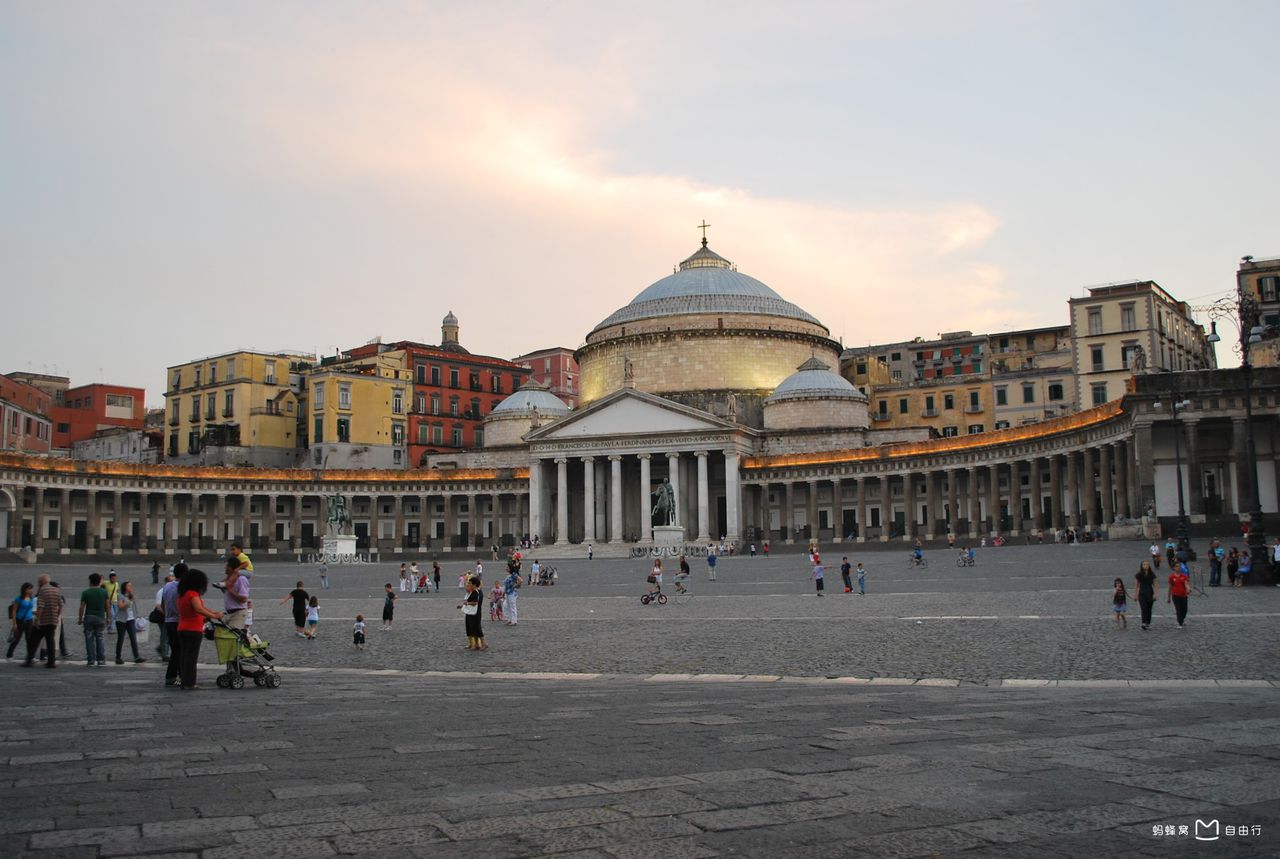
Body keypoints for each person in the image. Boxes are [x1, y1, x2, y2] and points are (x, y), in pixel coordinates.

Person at [176, 568, 223, 689]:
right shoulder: (193, 594)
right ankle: (190, 683)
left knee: (184, 657)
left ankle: (184, 680)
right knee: (191, 657)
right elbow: (199, 609)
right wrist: (214, 616)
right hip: (193, 629)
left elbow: (202, 608)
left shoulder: (183, 594)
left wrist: (213, 612)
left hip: (182, 627)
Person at [22, 576, 61, 669]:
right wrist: (57, 616)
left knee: (33, 641)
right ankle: (51, 662)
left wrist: (37, 620)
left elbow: (41, 606)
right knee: (50, 642)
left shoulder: (42, 591)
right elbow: (61, 604)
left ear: (41, 582)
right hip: (52, 621)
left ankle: (29, 661)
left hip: (43, 621)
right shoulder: (56, 590)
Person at [162, 564, 186, 687]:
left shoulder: (167, 585)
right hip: (179, 621)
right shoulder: (182, 588)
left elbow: (162, 604)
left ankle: (178, 675)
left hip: (168, 620)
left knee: (176, 650)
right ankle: (175, 676)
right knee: (179, 650)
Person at [78, 573, 109, 667]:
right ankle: (101, 659)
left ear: (90, 581)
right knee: (100, 638)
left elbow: (82, 607)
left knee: (89, 639)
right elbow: (108, 607)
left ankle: (91, 659)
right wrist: (108, 618)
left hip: (89, 617)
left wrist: (80, 618)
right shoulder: (104, 592)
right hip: (100, 617)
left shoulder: (85, 592)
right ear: (99, 581)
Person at [114, 581, 146, 664]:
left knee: (133, 638)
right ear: (125, 587)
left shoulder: (131, 596)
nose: (130, 587)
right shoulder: (120, 596)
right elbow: (120, 606)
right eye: (129, 586)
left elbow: (133, 607)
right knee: (121, 639)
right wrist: (129, 600)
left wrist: (137, 615)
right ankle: (118, 657)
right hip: (121, 620)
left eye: (131, 585)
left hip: (131, 619)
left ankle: (137, 656)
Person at [7, 582, 35, 661]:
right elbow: (14, 611)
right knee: (16, 639)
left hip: (29, 620)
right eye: (30, 588)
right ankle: (9, 654)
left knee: (29, 639)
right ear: (25, 589)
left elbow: (32, 609)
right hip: (20, 620)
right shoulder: (18, 599)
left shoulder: (32, 598)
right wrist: (14, 623)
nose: (31, 590)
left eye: (31, 589)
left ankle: (30, 655)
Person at [458, 576, 487, 651]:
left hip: (475, 613)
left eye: (470, 583)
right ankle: (476, 644)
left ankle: (484, 644)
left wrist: (467, 603)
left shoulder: (476, 592)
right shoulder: (474, 591)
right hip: (471, 613)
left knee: (477, 629)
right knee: (472, 629)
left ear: (474, 585)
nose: (469, 585)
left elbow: (475, 603)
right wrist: (462, 605)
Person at [1134, 561, 1157, 630]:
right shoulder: (1139, 575)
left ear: (1149, 566)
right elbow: (1137, 585)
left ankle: (1148, 622)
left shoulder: (1152, 574)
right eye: (1144, 564)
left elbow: (1155, 585)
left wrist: (1155, 594)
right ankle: (1143, 622)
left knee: (1149, 609)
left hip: (1150, 593)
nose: (1145, 566)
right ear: (1142, 566)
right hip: (1142, 593)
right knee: (1143, 608)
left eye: (1147, 564)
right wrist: (1136, 595)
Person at [1167, 561, 1190, 628]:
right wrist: (1168, 597)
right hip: (1175, 595)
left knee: (1185, 609)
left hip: (1183, 595)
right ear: (1174, 568)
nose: (1178, 568)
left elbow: (1186, 584)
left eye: (1179, 566)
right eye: (1177, 566)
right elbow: (1170, 587)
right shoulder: (1171, 577)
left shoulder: (1184, 576)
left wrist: (1188, 589)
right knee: (1178, 609)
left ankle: (1182, 619)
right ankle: (1179, 622)